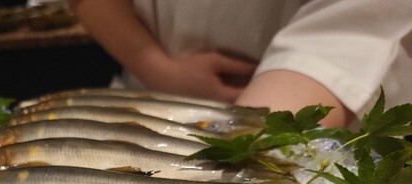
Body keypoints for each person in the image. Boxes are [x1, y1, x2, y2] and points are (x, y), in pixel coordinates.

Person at [69, 0, 412, 128]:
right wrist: (160, 70)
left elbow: (346, 33)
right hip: (138, 99)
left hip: (304, 119)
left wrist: (248, 146)